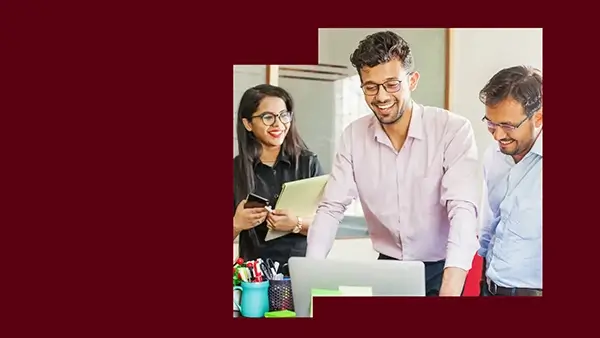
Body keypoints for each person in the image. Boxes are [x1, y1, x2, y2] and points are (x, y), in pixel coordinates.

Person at [305, 31, 481, 296]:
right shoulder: (354, 136)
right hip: (388, 268)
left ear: (412, 80)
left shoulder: (451, 130)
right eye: (371, 87)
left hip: (444, 267)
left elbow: (463, 210)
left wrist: (450, 290)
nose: (382, 97)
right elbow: (331, 209)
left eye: (392, 84)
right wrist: (309, 277)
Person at [233, 84, 324, 264]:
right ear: (248, 124)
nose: (278, 124)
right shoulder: (236, 170)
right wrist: (236, 224)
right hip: (255, 276)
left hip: (301, 269)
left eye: (284, 115)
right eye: (268, 117)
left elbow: (328, 224)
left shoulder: (308, 163)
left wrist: (296, 224)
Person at [477, 66, 543, 296]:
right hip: (490, 288)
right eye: (491, 123)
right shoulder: (493, 156)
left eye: (508, 126)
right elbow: (491, 222)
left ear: (539, 117)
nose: (497, 135)